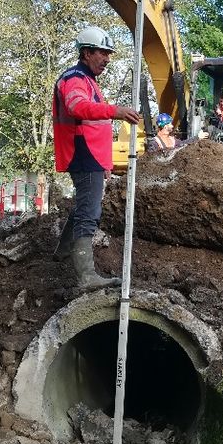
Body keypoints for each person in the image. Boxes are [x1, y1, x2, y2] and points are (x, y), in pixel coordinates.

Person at [52, 26, 140, 289]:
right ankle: (86, 275)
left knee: (83, 206)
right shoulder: (75, 79)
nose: (107, 59)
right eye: (103, 53)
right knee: (89, 213)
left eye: (108, 53)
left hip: (91, 156)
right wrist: (116, 111)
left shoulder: (88, 80)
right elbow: (77, 107)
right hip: (82, 153)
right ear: (87, 52)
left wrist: (105, 163)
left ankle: (63, 251)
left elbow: (95, 126)